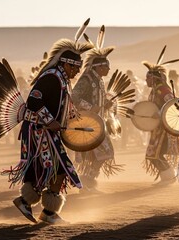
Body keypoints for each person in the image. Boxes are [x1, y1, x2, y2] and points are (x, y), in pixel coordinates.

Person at [6, 37, 94, 224]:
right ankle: (40, 209)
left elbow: (62, 105)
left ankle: (41, 209)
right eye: (76, 67)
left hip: (46, 131)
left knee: (51, 169)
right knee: (58, 169)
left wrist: (73, 119)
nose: (78, 71)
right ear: (66, 64)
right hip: (38, 130)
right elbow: (34, 100)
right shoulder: (52, 76)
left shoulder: (61, 79)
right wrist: (49, 120)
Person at [71, 25, 120, 193]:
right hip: (86, 123)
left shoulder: (98, 79)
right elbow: (74, 97)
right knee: (98, 153)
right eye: (107, 66)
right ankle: (86, 183)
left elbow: (96, 100)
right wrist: (92, 108)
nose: (109, 69)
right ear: (99, 66)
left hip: (96, 123)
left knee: (101, 153)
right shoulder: (86, 78)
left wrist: (105, 105)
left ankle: (87, 183)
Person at [141, 46, 179, 185]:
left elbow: (172, 103)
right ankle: (167, 176)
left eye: (148, 77)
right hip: (157, 129)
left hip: (163, 129)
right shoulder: (154, 90)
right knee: (152, 155)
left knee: (155, 155)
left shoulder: (162, 89)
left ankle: (169, 177)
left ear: (155, 78)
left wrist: (159, 113)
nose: (146, 79)